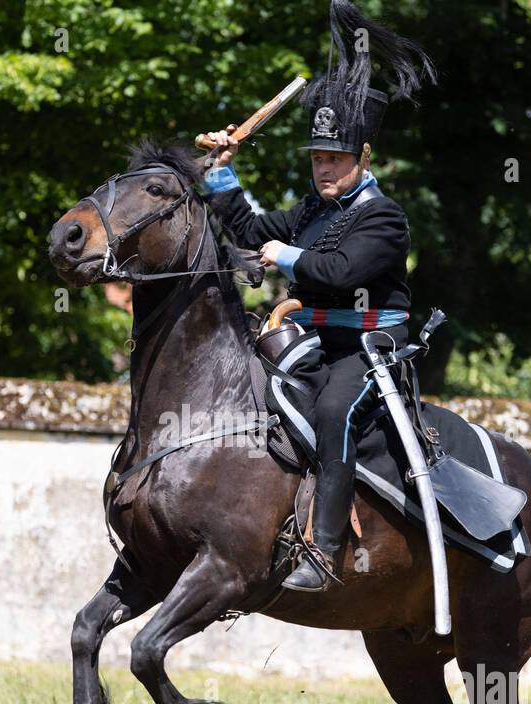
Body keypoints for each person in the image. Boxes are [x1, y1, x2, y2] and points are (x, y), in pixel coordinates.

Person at [200, 1, 434, 592]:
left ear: (363, 158)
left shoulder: (385, 217)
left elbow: (335, 272)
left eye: (335, 159)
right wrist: (222, 173)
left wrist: (281, 256)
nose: (324, 169)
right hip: (313, 337)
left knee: (333, 410)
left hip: (370, 343)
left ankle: (325, 551)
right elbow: (252, 232)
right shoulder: (310, 208)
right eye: (318, 159)